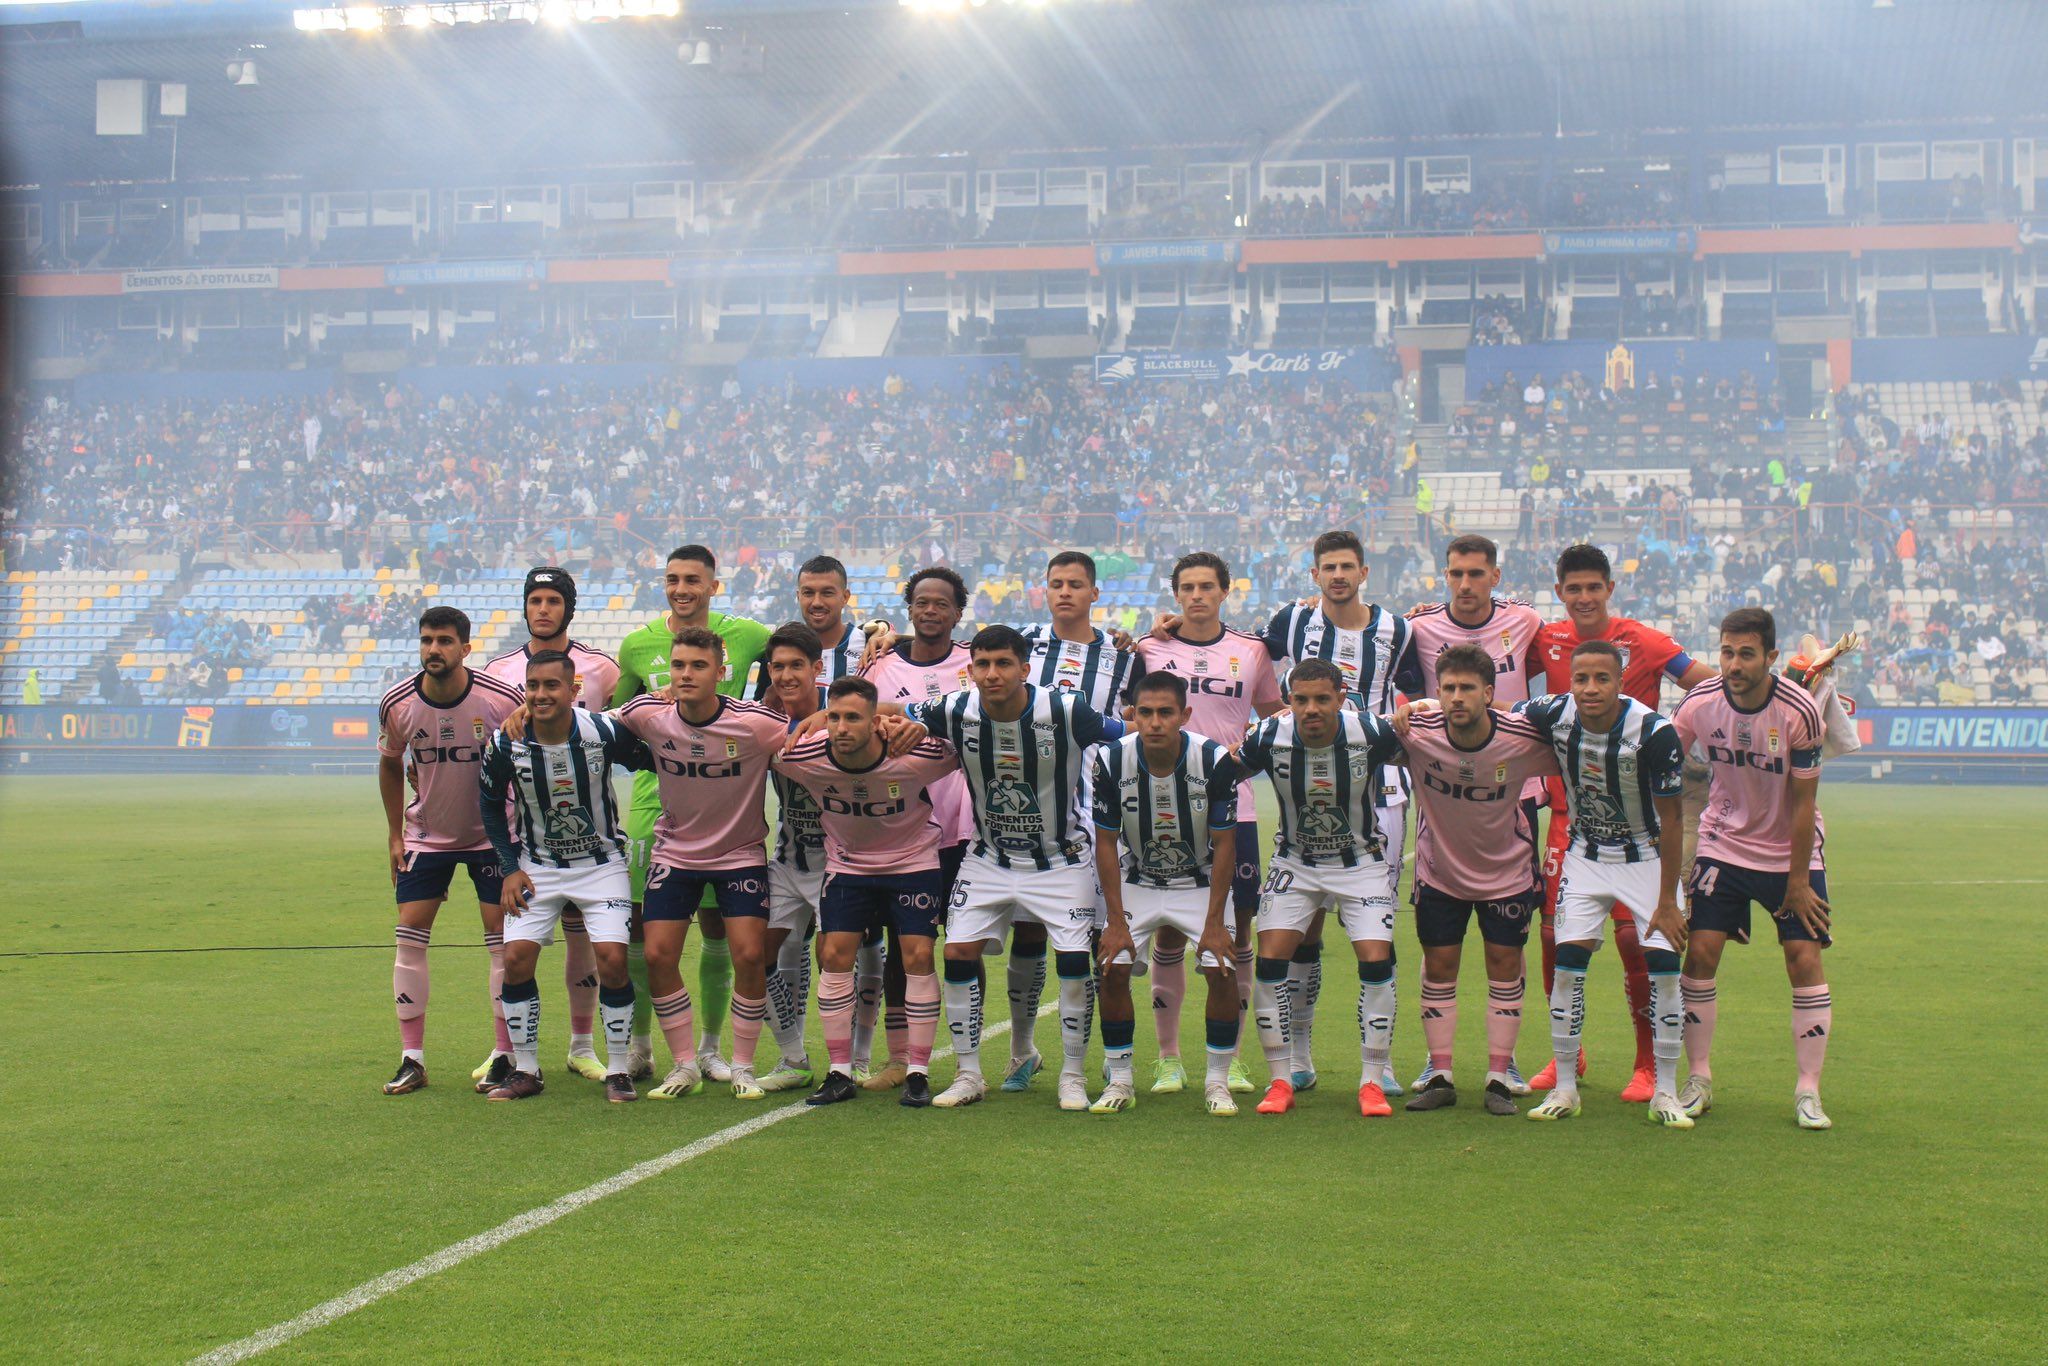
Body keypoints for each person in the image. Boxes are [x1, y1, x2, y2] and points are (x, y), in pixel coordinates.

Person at [904, 625, 1126, 1111]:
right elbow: (898, 713)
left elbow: (1127, 737)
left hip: (1060, 860)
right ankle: (968, 1075)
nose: (992, 674)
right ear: (971, 670)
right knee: (958, 953)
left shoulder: (1067, 710)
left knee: (1072, 963)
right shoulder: (955, 708)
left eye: (1003, 663)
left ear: (1025, 669)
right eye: (982, 664)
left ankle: (1071, 1075)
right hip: (988, 859)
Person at [1527, 543, 1717, 1100]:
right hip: (1572, 816)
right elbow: (1505, 676)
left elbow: (1707, 685)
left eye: (1594, 587)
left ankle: (1645, 1064)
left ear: (1610, 588)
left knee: (1641, 941)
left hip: (1641, 823)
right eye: (1574, 589)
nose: (1584, 597)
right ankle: (1569, 1057)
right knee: (1553, 936)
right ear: (1560, 592)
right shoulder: (1547, 639)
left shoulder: (1647, 641)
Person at [607, 628, 793, 1100]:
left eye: (698, 666)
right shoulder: (650, 713)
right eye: (679, 666)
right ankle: (685, 1065)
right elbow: (590, 726)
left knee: (750, 955)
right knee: (656, 955)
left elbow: (808, 730)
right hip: (676, 853)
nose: (686, 674)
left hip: (739, 855)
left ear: (720, 671)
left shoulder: (754, 723)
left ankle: (744, 1066)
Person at [1259, 529, 1413, 1096]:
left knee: (1375, 928)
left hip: (1380, 790)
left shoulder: (1400, 629)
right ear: (1315, 574)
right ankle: (1298, 1052)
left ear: (1364, 572)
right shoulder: (1291, 621)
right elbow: (1249, 654)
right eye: (1329, 567)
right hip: (1306, 783)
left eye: (1348, 566)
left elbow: (1416, 695)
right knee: (1302, 933)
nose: (1339, 575)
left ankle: (1383, 1063)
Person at [1670, 609, 1837, 1130]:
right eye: (1726, 652)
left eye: (1746, 654)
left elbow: (1806, 802)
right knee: (1700, 952)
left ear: (1770, 657)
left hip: (1791, 847)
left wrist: (1797, 880)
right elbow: (1666, 766)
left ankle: (1808, 1090)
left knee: (1802, 958)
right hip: (1723, 842)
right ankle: (1698, 1078)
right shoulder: (1699, 702)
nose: (1734, 664)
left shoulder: (1799, 711)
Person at [1515, 641, 1693, 1127]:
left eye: (1602, 679)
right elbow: (1498, 718)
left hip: (1647, 859)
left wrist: (1667, 901)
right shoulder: (1553, 712)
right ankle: (1567, 1089)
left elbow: (1674, 820)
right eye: (1581, 679)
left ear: (1621, 681)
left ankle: (1667, 1091)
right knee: (1568, 966)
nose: (1590, 689)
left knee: (1664, 970)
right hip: (1586, 856)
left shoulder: (1654, 732)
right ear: (1569, 681)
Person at [1396, 534, 1547, 1094]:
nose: (1465, 584)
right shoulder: (1420, 630)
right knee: (1439, 960)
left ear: (1495, 576)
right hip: (1442, 840)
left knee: (1506, 959)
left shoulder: (1526, 620)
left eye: (1476, 574)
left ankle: (1500, 1067)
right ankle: (1439, 1067)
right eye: (1455, 573)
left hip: (1512, 799)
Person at [1134, 551, 1284, 1095]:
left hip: (1233, 807)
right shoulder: (1150, 648)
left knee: (1236, 932)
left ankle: (1234, 1059)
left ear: (1225, 591)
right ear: (1175, 594)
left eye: (1206, 586)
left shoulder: (1253, 651)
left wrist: (1243, 766)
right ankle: (1169, 1059)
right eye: (1187, 587)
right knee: (1170, 930)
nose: (1196, 595)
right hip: (1161, 807)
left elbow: (1273, 720)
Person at [771, 677, 959, 1108]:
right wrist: (809, 719)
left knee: (916, 957)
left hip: (913, 864)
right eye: (833, 716)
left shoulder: (913, 755)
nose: (841, 727)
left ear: (875, 722)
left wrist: (908, 719)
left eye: (853, 717)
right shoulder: (805, 755)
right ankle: (839, 1071)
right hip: (848, 866)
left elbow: (958, 747)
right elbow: (766, 749)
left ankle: (917, 1072)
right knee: (833, 955)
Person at [476, 651, 653, 1104]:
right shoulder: (505, 743)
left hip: (601, 866)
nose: (540, 694)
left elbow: (658, 759)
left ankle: (617, 1069)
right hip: (538, 869)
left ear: (573, 691)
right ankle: (527, 1069)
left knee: (612, 960)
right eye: (533, 686)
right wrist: (510, 868)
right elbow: (490, 805)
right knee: (515, 958)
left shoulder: (602, 731)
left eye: (552, 685)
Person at [1234, 659, 1406, 1117]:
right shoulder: (1268, 736)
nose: (1311, 709)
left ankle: (1372, 1079)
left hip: (1361, 865)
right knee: (1271, 959)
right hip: (1296, 863)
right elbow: (1221, 776)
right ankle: (1282, 1076)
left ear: (1342, 698)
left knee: (1375, 959)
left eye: (1322, 699)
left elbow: (1428, 759)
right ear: (1288, 701)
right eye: (1300, 699)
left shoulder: (1372, 733)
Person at [477, 567, 623, 1084]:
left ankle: (582, 1045)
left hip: (586, 831)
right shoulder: (498, 667)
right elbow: (492, 747)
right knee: (510, 944)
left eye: (553, 600)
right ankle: (506, 1051)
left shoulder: (602, 667)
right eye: (534, 600)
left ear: (569, 607)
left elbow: (622, 729)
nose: (543, 609)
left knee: (586, 938)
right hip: (526, 832)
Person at [375, 606, 526, 1096]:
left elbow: (531, 757)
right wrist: (396, 833)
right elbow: (390, 763)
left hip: (493, 836)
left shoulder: (501, 699)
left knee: (501, 944)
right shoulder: (398, 703)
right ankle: (411, 1058)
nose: (433, 649)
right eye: (426, 640)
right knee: (409, 936)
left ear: (465, 648)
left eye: (443, 641)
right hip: (427, 836)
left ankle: (504, 1055)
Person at [1091, 671, 1247, 1116]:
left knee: (1221, 967)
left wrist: (1215, 925)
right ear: (1132, 714)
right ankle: (1120, 1081)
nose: (1155, 722)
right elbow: (1106, 842)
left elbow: (1224, 844)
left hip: (1198, 883)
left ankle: (1217, 1084)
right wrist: (1116, 921)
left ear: (1185, 715)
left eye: (1165, 712)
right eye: (1146, 713)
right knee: (1112, 966)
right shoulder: (1110, 759)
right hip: (1139, 880)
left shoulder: (1214, 760)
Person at [853, 566, 975, 1090]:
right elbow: (858, 718)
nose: (930, 611)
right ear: (909, 608)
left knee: (963, 943)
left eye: (941, 603)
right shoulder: (879, 665)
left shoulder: (977, 662)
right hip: (902, 829)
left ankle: (970, 1062)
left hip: (966, 823)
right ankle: (900, 1058)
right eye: (921, 602)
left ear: (957, 612)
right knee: (907, 946)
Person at [751, 554, 887, 700]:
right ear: (798, 597)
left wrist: (893, 634)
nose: (817, 602)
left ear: (845, 597)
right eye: (808, 593)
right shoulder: (778, 653)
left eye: (827, 593)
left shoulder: (871, 647)